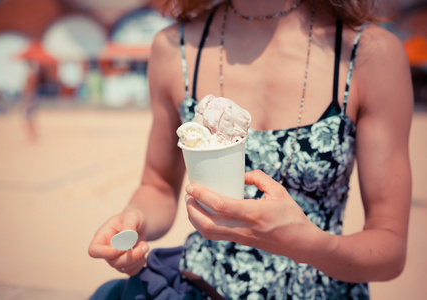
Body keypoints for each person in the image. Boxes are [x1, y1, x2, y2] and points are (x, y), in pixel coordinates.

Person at [88, 0, 413, 298]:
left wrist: (309, 245)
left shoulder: (369, 53)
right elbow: (158, 184)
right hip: (203, 286)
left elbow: (390, 248)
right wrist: (136, 218)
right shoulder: (176, 47)